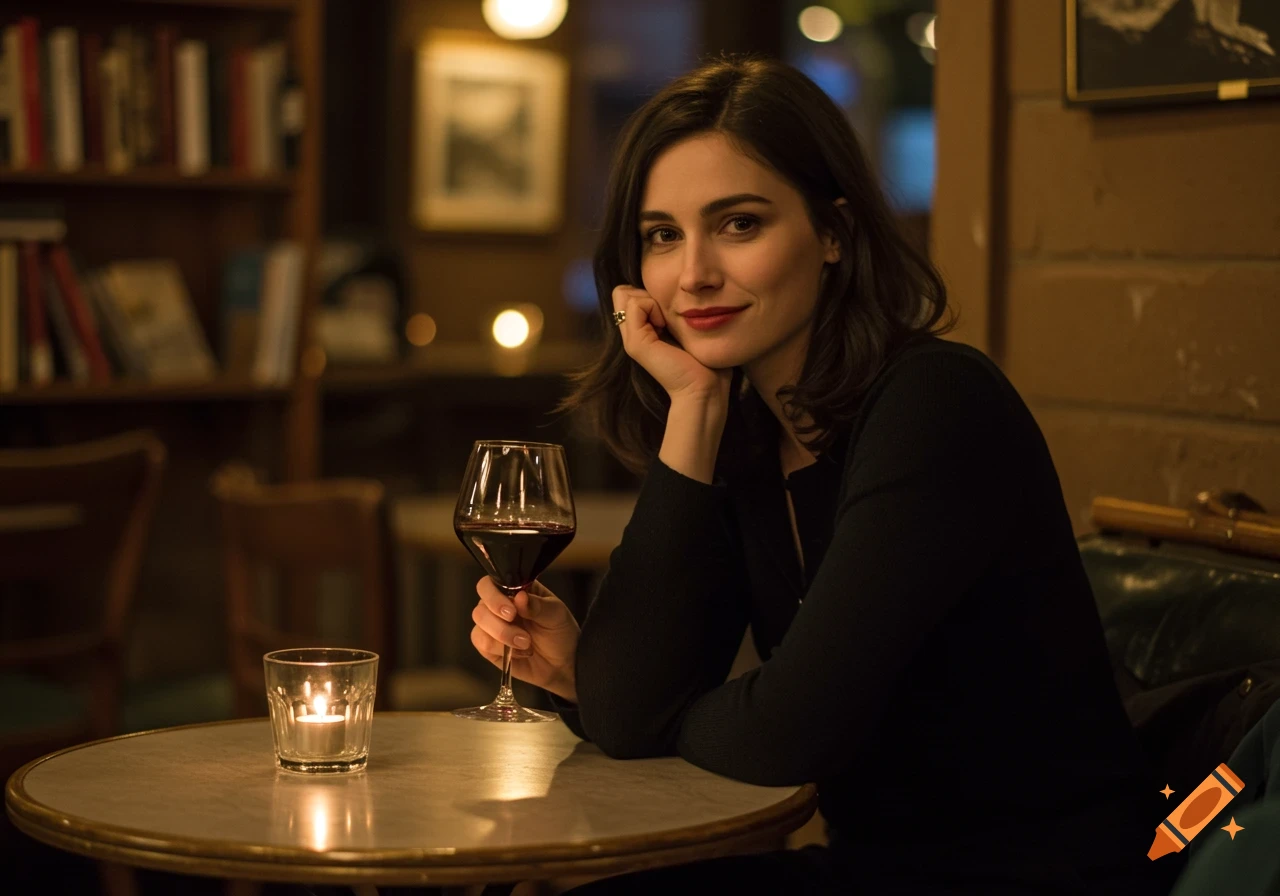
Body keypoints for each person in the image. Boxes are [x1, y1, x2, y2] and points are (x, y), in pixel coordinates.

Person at [467, 56, 1169, 895]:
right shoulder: (741, 429)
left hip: (1044, 874)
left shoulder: (936, 405)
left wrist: (669, 711)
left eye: (738, 225)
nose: (692, 275)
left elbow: (786, 735)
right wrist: (692, 405)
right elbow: (624, 716)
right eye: (662, 236)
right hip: (875, 868)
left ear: (833, 233)